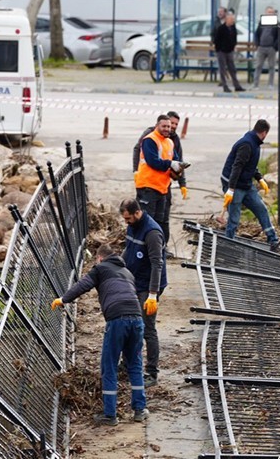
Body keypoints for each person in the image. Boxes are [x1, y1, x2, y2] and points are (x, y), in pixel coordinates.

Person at [52, 244, 149, 426]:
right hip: (137, 318)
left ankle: (110, 415)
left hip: (117, 319)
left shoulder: (101, 268)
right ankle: (139, 410)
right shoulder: (128, 273)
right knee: (135, 364)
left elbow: (84, 285)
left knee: (109, 366)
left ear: (99, 258)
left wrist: (63, 299)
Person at [120, 198, 167, 387]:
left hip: (149, 286)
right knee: (129, 323)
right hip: (134, 281)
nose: (126, 222)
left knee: (147, 328)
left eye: (128, 218)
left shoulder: (152, 233)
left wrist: (153, 294)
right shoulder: (132, 226)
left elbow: (157, 264)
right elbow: (129, 250)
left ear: (137, 213)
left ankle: (152, 372)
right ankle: (128, 363)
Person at [220, 119, 280, 250]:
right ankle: (228, 244)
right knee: (234, 217)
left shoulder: (254, 142)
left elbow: (250, 165)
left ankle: (273, 240)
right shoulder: (247, 144)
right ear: (264, 133)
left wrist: (259, 178)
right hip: (234, 184)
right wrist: (230, 189)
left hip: (246, 184)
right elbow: (237, 166)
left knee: (261, 209)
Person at [132, 111, 188, 247]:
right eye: (165, 126)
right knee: (146, 220)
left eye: (170, 126)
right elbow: (153, 162)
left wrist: (181, 179)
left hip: (162, 188)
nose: (168, 129)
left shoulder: (170, 142)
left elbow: (177, 160)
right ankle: (141, 248)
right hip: (148, 187)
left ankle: (158, 248)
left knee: (160, 221)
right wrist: (170, 164)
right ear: (157, 125)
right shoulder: (150, 139)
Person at [214, 12, 245, 93]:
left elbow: (234, 38)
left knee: (232, 69)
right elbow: (216, 40)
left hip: (230, 51)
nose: (233, 21)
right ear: (227, 20)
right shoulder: (221, 28)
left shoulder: (233, 28)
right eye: (231, 19)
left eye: (233, 20)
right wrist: (219, 49)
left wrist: (233, 46)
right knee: (222, 69)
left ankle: (236, 85)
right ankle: (225, 86)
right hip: (222, 51)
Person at [252, 6, 279, 90]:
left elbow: (279, 36)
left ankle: (270, 84)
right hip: (261, 47)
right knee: (258, 66)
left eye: (272, 12)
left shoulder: (276, 23)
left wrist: (274, 47)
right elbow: (257, 34)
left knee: (271, 66)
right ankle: (255, 84)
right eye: (268, 12)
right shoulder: (261, 22)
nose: (270, 14)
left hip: (271, 48)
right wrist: (257, 45)